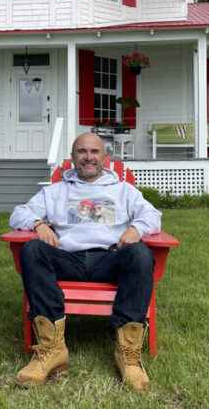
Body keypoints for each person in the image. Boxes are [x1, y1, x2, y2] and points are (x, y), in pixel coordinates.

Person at [9, 133, 161, 392]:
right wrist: (38, 224)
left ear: (105, 158)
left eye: (94, 152)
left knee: (140, 253)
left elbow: (152, 215)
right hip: (68, 258)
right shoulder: (55, 191)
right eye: (82, 151)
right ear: (72, 158)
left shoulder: (124, 191)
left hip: (110, 258)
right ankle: (51, 349)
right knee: (33, 249)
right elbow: (18, 213)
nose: (88, 157)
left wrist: (136, 230)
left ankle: (128, 354)